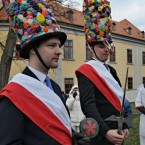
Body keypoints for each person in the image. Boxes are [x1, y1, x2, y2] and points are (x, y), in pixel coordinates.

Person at [0, 0, 90, 145]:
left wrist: (72, 137)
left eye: (59, 46)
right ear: (33, 50)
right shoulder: (13, 94)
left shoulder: (55, 87)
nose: (59, 51)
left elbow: (55, 128)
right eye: (51, 46)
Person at [75, 0, 129, 145]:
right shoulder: (86, 71)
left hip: (117, 132)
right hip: (102, 136)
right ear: (91, 49)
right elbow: (88, 106)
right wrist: (105, 131)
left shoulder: (111, 70)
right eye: (101, 46)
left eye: (108, 45)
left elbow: (118, 102)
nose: (107, 49)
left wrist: (123, 125)